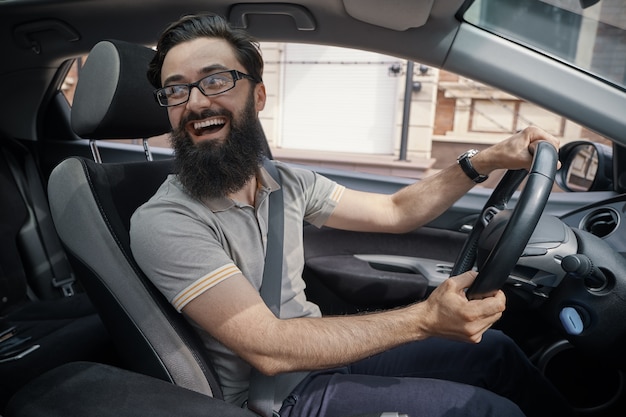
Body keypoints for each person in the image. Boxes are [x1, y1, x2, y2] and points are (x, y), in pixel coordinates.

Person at [130, 13, 573, 417]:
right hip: (273, 398)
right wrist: (424, 319)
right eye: (176, 89)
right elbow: (269, 349)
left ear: (258, 95)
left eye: (217, 81)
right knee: (489, 412)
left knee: (494, 351)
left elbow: (396, 210)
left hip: (321, 355)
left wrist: (486, 159)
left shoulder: (286, 181)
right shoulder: (166, 220)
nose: (195, 102)